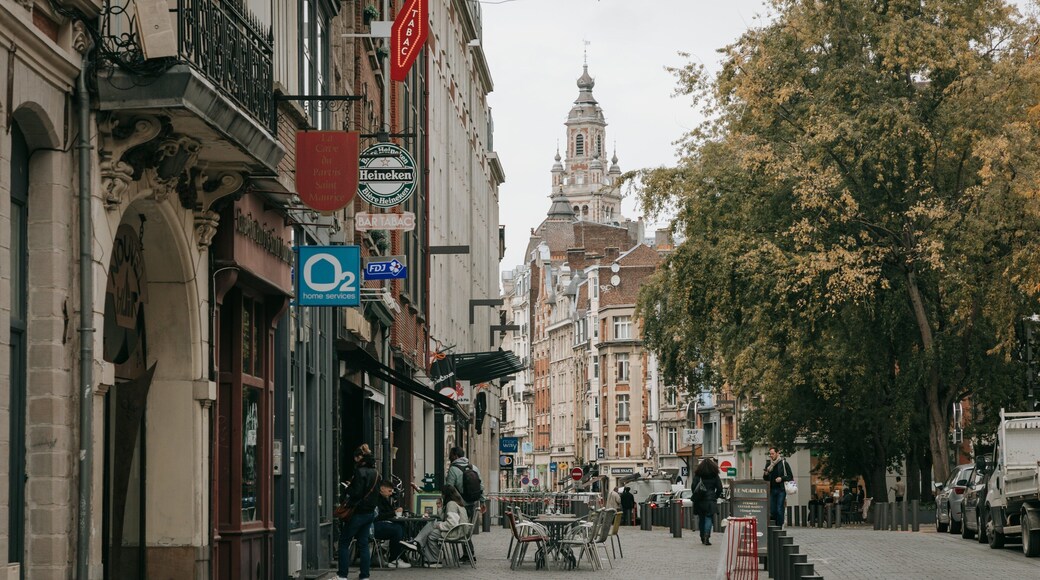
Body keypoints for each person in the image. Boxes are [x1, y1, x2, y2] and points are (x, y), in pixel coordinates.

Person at [338, 444, 380, 580]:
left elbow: (356, 493)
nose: (354, 461)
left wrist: (347, 488)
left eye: (355, 458)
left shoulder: (359, 471)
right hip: (369, 513)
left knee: (344, 542)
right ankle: (364, 576)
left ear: (359, 458)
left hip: (358, 512)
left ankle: (342, 575)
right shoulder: (376, 473)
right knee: (363, 544)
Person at [400, 485, 467, 567]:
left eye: (442, 494)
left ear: (445, 494)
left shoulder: (451, 504)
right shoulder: (456, 502)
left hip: (455, 532)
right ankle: (432, 560)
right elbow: (445, 519)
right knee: (432, 532)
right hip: (459, 531)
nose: (441, 496)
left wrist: (438, 525)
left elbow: (452, 523)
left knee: (432, 528)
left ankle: (419, 545)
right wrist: (439, 507)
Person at [444, 447, 482, 561]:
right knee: (465, 528)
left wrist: (445, 504)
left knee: (462, 528)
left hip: (460, 505)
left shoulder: (453, 469)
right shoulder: (473, 467)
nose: (449, 457)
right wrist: (483, 501)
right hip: (472, 502)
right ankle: (469, 554)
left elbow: (449, 488)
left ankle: (468, 554)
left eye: (450, 454)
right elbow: (481, 485)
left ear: (455, 455)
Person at [373, 480, 410, 568]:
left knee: (402, 526)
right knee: (397, 529)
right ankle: (394, 559)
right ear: (382, 489)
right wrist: (394, 512)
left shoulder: (383, 499)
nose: (391, 493)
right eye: (389, 491)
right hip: (374, 526)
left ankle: (399, 555)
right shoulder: (376, 499)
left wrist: (396, 511)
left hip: (380, 524)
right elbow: (378, 516)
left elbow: (388, 512)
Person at [691, 458, 724, 545]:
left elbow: (693, 487)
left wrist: (697, 495)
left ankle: (702, 536)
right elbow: (720, 488)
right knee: (709, 518)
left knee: (701, 519)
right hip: (710, 501)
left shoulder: (698, 475)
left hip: (700, 500)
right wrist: (715, 496)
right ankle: (707, 535)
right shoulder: (715, 475)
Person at [762, 446, 793, 528]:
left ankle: (779, 526)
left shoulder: (783, 463)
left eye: (772, 453)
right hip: (771, 490)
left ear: (777, 453)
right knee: (772, 510)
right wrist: (765, 474)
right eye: (770, 454)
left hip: (781, 490)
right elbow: (765, 478)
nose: (771, 455)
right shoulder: (768, 464)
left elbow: (790, 476)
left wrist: (781, 478)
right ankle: (775, 526)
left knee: (779, 509)